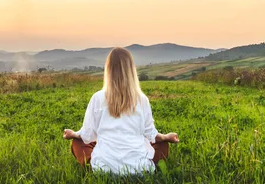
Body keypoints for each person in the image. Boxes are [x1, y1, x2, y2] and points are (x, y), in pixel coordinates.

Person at [63, 47, 179, 175]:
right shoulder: (142, 100)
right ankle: (143, 164)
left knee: (77, 143)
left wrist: (73, 134)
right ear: (131, 70)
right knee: (163, 145)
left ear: (108, 70)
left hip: (103, 169)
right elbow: (151, 135)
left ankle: (98, 166)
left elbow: (87, 135)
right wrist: (166, 137)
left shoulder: (97, 98)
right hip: (140, 169)